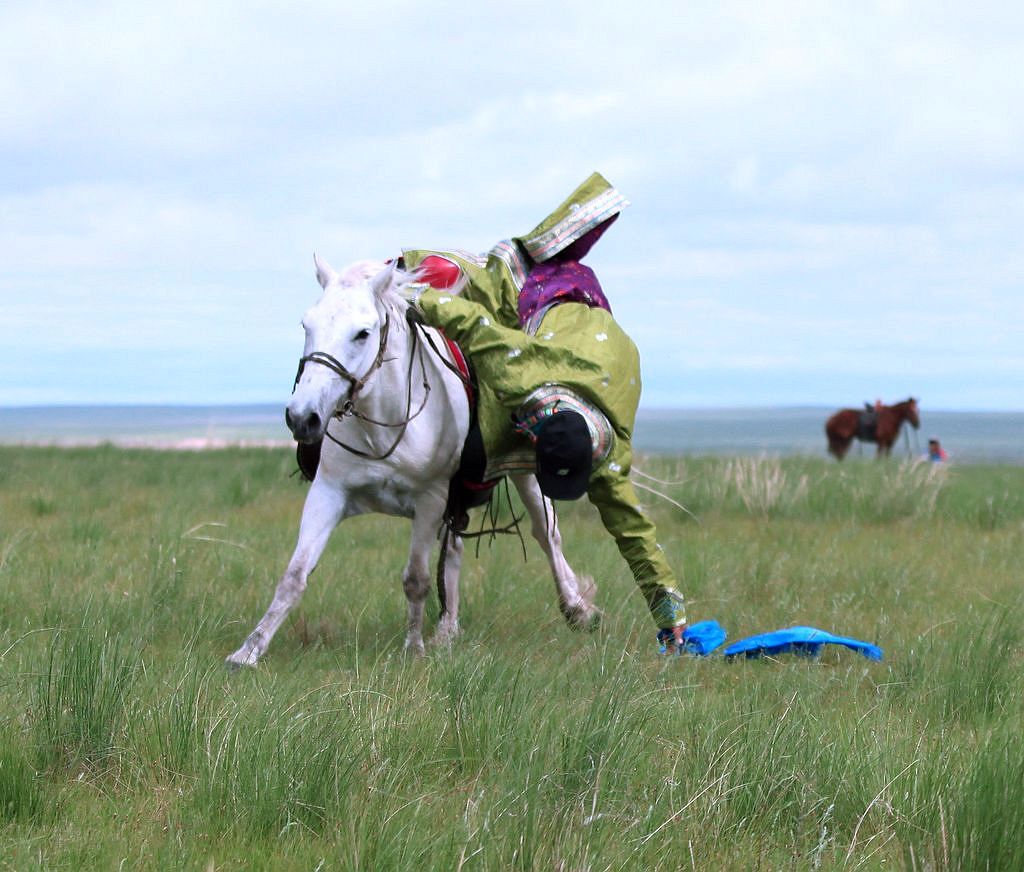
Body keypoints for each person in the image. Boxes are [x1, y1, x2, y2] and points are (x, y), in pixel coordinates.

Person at [399, 172, 689, 652]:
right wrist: (414, 292)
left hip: (581, 319)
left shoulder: (596, 446)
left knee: (479, 441)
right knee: (478, 280)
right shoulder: (533, 374)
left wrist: (670, 614)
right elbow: (473, 322)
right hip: (564, 305)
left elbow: (634, 535)